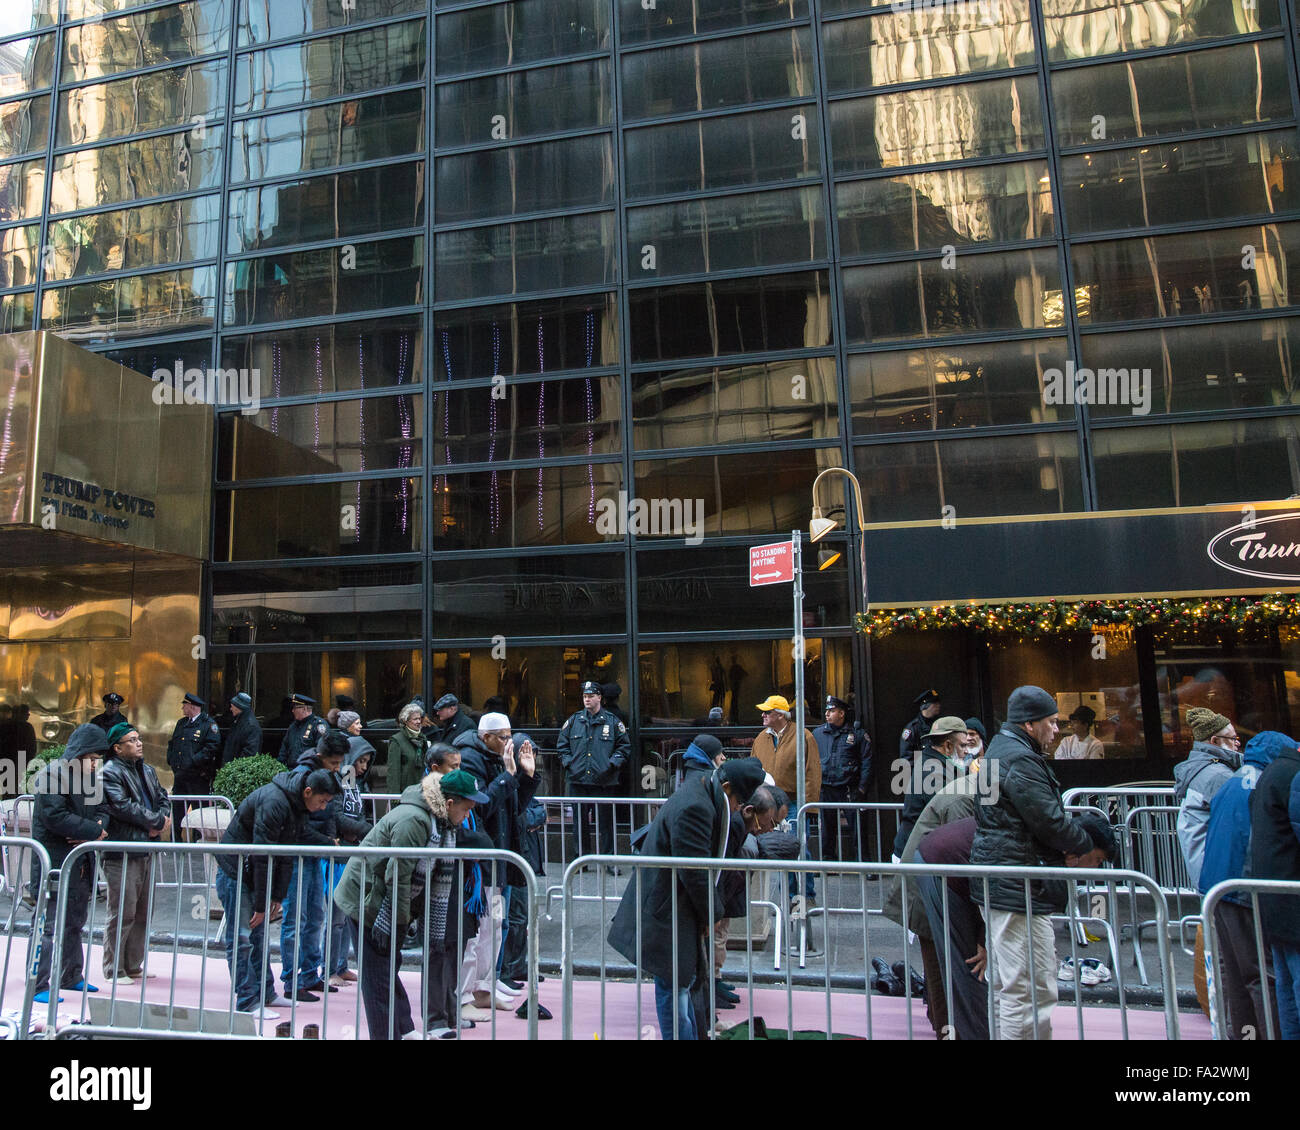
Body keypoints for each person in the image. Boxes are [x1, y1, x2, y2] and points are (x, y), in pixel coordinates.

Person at [968, 685, 1098, 1040]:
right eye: (1052, 723)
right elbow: (1047, 819)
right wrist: (1086, 844)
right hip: (1016, 884)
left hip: (1011, 880)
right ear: (1030, 724)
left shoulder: (1003, 750)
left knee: (1023, 985)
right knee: (1026, 989)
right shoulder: (1019, 759)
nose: (1057, 730)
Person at [607, 757, 767, 1039]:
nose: (737, 810)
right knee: (673, 983)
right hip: (666, 906)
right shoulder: (697, 805)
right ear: (727, 788)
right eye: (738, 803)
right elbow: (694, 871)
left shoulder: (704, 788)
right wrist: (713, 914)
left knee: (682, 982)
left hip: (673, 903)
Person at [334, 768, 489, 1040]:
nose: (468, 817)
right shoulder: (415, 821)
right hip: (367, 900)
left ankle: (403, 1028)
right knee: (377, 978)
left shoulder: (439, 822)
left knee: (386, 970)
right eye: (466, 809)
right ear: (449, 803)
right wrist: (398, 922)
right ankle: (387, 1034)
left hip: (383, 900)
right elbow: (399, 878)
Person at [215, 766, 339, 1020]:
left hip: (253, 871)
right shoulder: (275, 802)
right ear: (307, 791)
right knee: (242, 938)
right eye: (323, 801)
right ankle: (247, 1001)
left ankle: (266, 993)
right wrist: (263, 903)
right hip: (237, 871)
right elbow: (263, 854)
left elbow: (286, 851)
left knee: (258, 938)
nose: (324, 807)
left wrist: (275, 896)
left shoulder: (296, 804)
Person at [1200, 731, 1292, 1039]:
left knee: (1236, 975)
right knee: (1261, 974)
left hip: (1217, 887)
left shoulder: (1231, 781)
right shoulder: (1267, 785)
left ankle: (1244, 1035)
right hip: (1244, 888)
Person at [452, 711, 539, 1018]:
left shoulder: (497, 758)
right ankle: (463, 995)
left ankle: (483, 989)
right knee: (475, 934)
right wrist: (510, 776)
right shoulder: (470, 758)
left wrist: (526, 777)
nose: (508, 742)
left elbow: (514, 806)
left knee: (495, 929)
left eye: (509, 736)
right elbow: (481, 806)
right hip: (480, 862)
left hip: (500, 857)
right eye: (503, 737)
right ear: (484, 736)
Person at [280, 730, 365, 1001]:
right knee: (297, 919)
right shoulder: (303, 775)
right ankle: (292, 980)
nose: (338, 769)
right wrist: (329, 841)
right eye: (334, 764)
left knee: (315, 916)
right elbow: (299, 824)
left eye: (340, 764)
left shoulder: (326, 776)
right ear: (321, 757)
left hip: (317, 850)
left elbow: (328, 812)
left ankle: (309, 975)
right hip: (301, 851)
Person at [30, 724, 110, 1003]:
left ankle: (71, 976)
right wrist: (93, 830)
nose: (95, 764)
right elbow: (55, 817)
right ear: (79, 754)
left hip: (80, 863)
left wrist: (97, 828)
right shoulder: (51, 775)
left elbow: (103, 810)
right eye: (93, 759)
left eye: (98, 760)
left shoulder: (89, 780)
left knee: (75, 923)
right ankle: (38, 983)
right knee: (48, 926)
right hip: (54, 862)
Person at [100, 722, 171, 983]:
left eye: (139, 738)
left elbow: (163, 798)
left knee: (143, 911)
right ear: (117, 748)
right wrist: (155, 823)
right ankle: (113, 968)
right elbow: (122, 806)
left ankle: (132, 964)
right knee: (122, 912)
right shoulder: (109, 772)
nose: (139, 743)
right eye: (131, 740)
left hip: (146, 847)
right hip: (123, 850)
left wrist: (161, 820)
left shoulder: (148, 771)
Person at [1249, 723, 1300, 1039]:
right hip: (1291, 895)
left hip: (1274, 895)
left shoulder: (1273, 773)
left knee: (1285, 983)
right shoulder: (1291, 776)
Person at [557, 680, 631, 858]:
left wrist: (612, 764)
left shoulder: (613, 722)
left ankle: (608, 859)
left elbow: (624, 747)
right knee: (580, 823)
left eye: (590, 696)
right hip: (578, 780)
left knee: (606, 823)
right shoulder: (574, 721)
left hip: (604, 781)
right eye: (584, 696)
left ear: (599, 697)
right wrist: (569, 763)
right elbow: (562, 746)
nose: (587, 699)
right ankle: (581, 859)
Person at [1174, 706, 1243, 889]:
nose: (1237, 743)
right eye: (1233, 738)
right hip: (1218, 870)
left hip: (1206, 867)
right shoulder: (1218, 775)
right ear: (1215, 741)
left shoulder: (1200, 768)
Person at [328, 735, 376, 986]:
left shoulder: (354, 781)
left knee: (346, 915)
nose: (364, 767)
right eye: (362, 761)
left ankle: (341, 965)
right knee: (337, 916)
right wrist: (365, 830)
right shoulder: (342, 779)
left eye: (367, 762)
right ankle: (330, 969)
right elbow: (338, 814)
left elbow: (355, 811)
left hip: (351, 849)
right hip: (339, 853)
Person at [892, 715, 968, 859]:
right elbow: (951, 813)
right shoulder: (933, 771)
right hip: (915, 854)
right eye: (962, 746)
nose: (966, 751)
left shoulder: (935, 764)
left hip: (920, 850)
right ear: (948, 746)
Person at [814, 695, 871, 861]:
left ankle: (864, 863)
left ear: (841, 713)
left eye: (831, 711)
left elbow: (867, 762)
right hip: (826, 788)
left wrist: (862, 788)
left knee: (858, 829)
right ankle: (828, 862)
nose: (827, 714)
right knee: (826, 829)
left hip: (849, 788)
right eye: (826, 711)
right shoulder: (817, 734)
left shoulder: (857, 734)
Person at [751, 694, 820, 818]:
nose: (763, 715)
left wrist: (810, 807)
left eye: (767, 712)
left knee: (794, 837)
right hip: (766, 804)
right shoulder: (760, 739)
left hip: (794, 805)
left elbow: (812, 772)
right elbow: (753, 770)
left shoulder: (803, 736)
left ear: (780, 715)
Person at [166, 692, 221, 830]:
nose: (182, 708)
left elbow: (211, 748)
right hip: (180, 777)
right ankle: (176, 844)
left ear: (192, 707)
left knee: (198, 816)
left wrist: (193, 761)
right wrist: (171, 759)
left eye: (184, 705)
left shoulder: (208, 725)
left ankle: (197, 846)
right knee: (177, 813)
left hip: (197, 779)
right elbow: (173, 743)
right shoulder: (182, 723)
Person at [388, 702, 429, 795]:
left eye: (419, 718)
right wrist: (394, 798)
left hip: (421, 791)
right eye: (415, 719)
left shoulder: (422, 739)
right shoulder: (397, 740)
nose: (418, 722)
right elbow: (393, 772)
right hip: (405, 793)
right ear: (406, 721)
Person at [278, 693, 329, 768]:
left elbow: (322, 751)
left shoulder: (318, 725)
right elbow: (284, 749)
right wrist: (280, 766)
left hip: (309, 771)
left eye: (294, 708)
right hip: (291, 770)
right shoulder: (293, 726)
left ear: (304, 709)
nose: (292, 711)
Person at [900, 689, 942, 763]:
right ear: (925, 705)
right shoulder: (912, 728)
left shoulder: (940, 724)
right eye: (935, 703)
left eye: (938, 702)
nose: (938, 705)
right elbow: (906, 758)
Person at [221, 692, 262, 768]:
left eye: (232, 706)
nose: (231, 709)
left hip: (238, 773)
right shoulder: (237, 722)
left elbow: (249, 754)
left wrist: (234, 769)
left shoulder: (251, 726)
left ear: (238, 707)